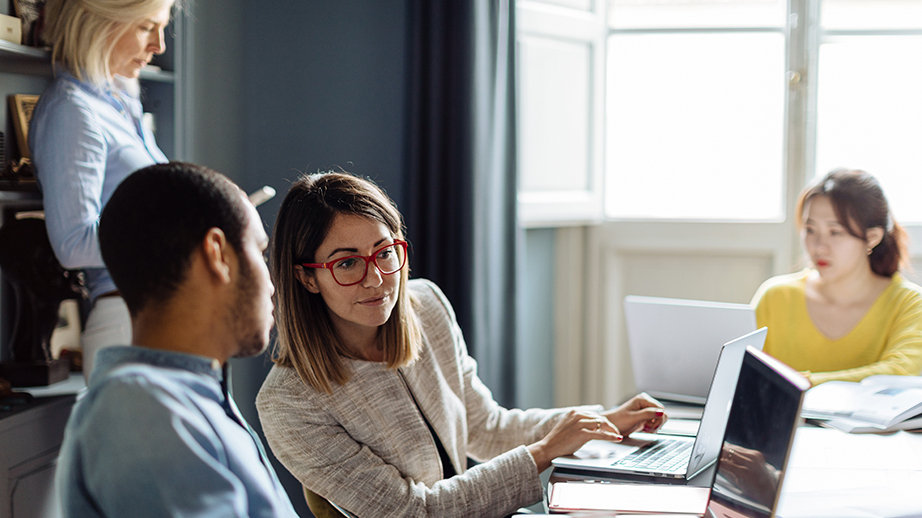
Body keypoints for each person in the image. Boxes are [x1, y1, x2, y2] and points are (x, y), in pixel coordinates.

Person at [256, 171, 667, 517]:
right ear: (307, 277)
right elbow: (415, 512)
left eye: (384, 252)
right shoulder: (289, 404)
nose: (377, 278)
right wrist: (544, 451)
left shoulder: (426, 307)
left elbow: (486, 428)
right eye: (347, 263)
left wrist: (599, 422)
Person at [55, 162, 299, 517]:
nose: (272, 283)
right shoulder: (142, 407)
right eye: (260, 252)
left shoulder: (184, 397)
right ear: (217, 254)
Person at [29, 0, 175, 379]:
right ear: (97, 24)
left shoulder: (113, 103)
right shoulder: (72, 110)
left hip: (157, 316)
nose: (159, 45)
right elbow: (73, 243)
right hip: (129, 323)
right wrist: (184, 231)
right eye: (146, 27)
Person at [751, 168, 922, 385]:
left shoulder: (909, 303)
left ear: (872, 238)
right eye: (810, 229)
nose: (819, 247)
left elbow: (898, 373)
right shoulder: (775, 297)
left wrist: (800, 384)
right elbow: (742, 372)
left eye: (835, 232)